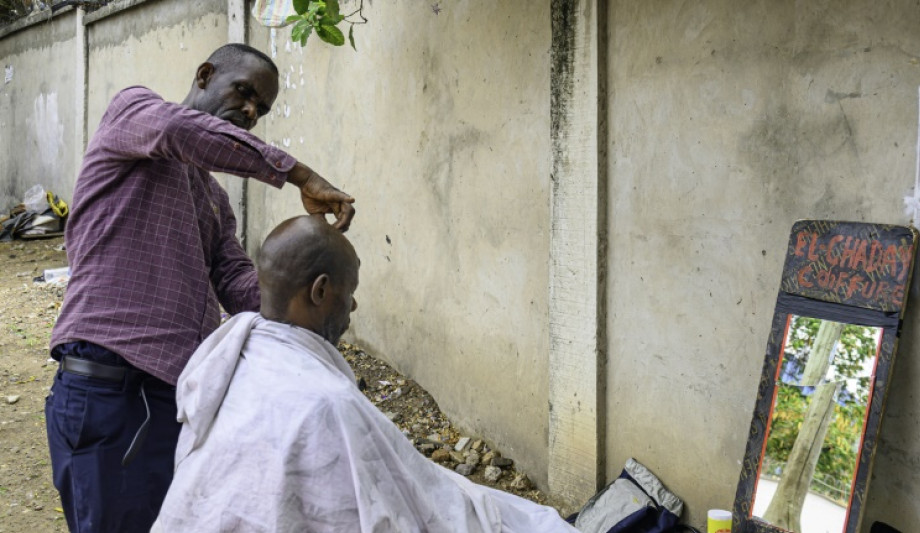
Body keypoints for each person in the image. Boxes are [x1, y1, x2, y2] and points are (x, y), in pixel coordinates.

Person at [45, 43, 355, 533]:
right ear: (205, 75)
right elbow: (178, 130)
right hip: (110, 389)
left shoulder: (212, 198)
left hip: (176, 400)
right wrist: (299, 174)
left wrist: (312, 310)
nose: (251, 111)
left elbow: (236, 281)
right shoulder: (134, 113)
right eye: (244, 92)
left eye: (262, 108)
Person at [153, 215, 579, 532]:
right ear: (320, 291)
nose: (352, 307)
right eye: (349, 292)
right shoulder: (323, 404)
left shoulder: (230, 360)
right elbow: (385, 514)